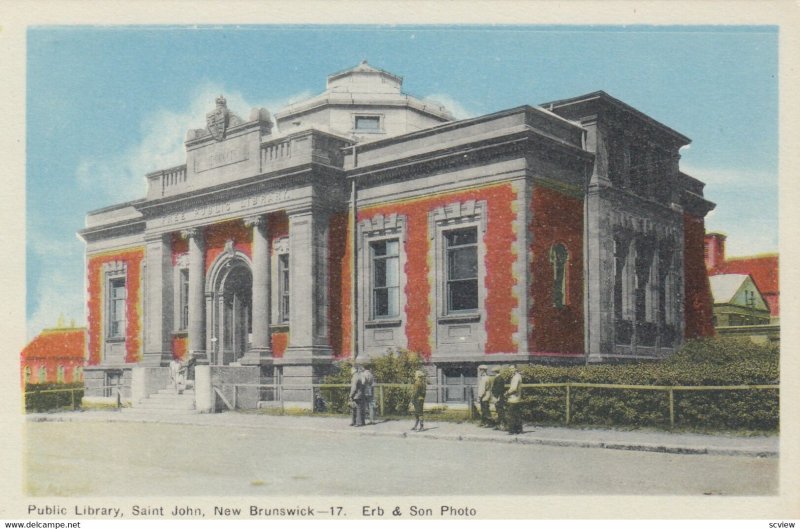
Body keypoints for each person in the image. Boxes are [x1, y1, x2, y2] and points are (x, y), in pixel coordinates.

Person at [505, 364, 524, 434]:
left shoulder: (516, 377)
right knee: (517, 414)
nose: (511, 370)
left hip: (514, 398)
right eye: (510, 369)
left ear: (516, 369)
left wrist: (506, 393)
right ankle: (519, 430)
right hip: (517, 398)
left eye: (512, 369)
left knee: (511, 415)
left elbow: (514, 389)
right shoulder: (517, 376)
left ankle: (512, 430)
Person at [490, 367, 507, 431]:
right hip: (497, 397)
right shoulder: (499, 378)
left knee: (500, 411)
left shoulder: (499, 379)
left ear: (495, 372)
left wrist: (497, 398)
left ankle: (502, 425)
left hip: (498, 397)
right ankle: (500, 425)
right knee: (499, 411)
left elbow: (499, 389)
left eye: (493, 372)